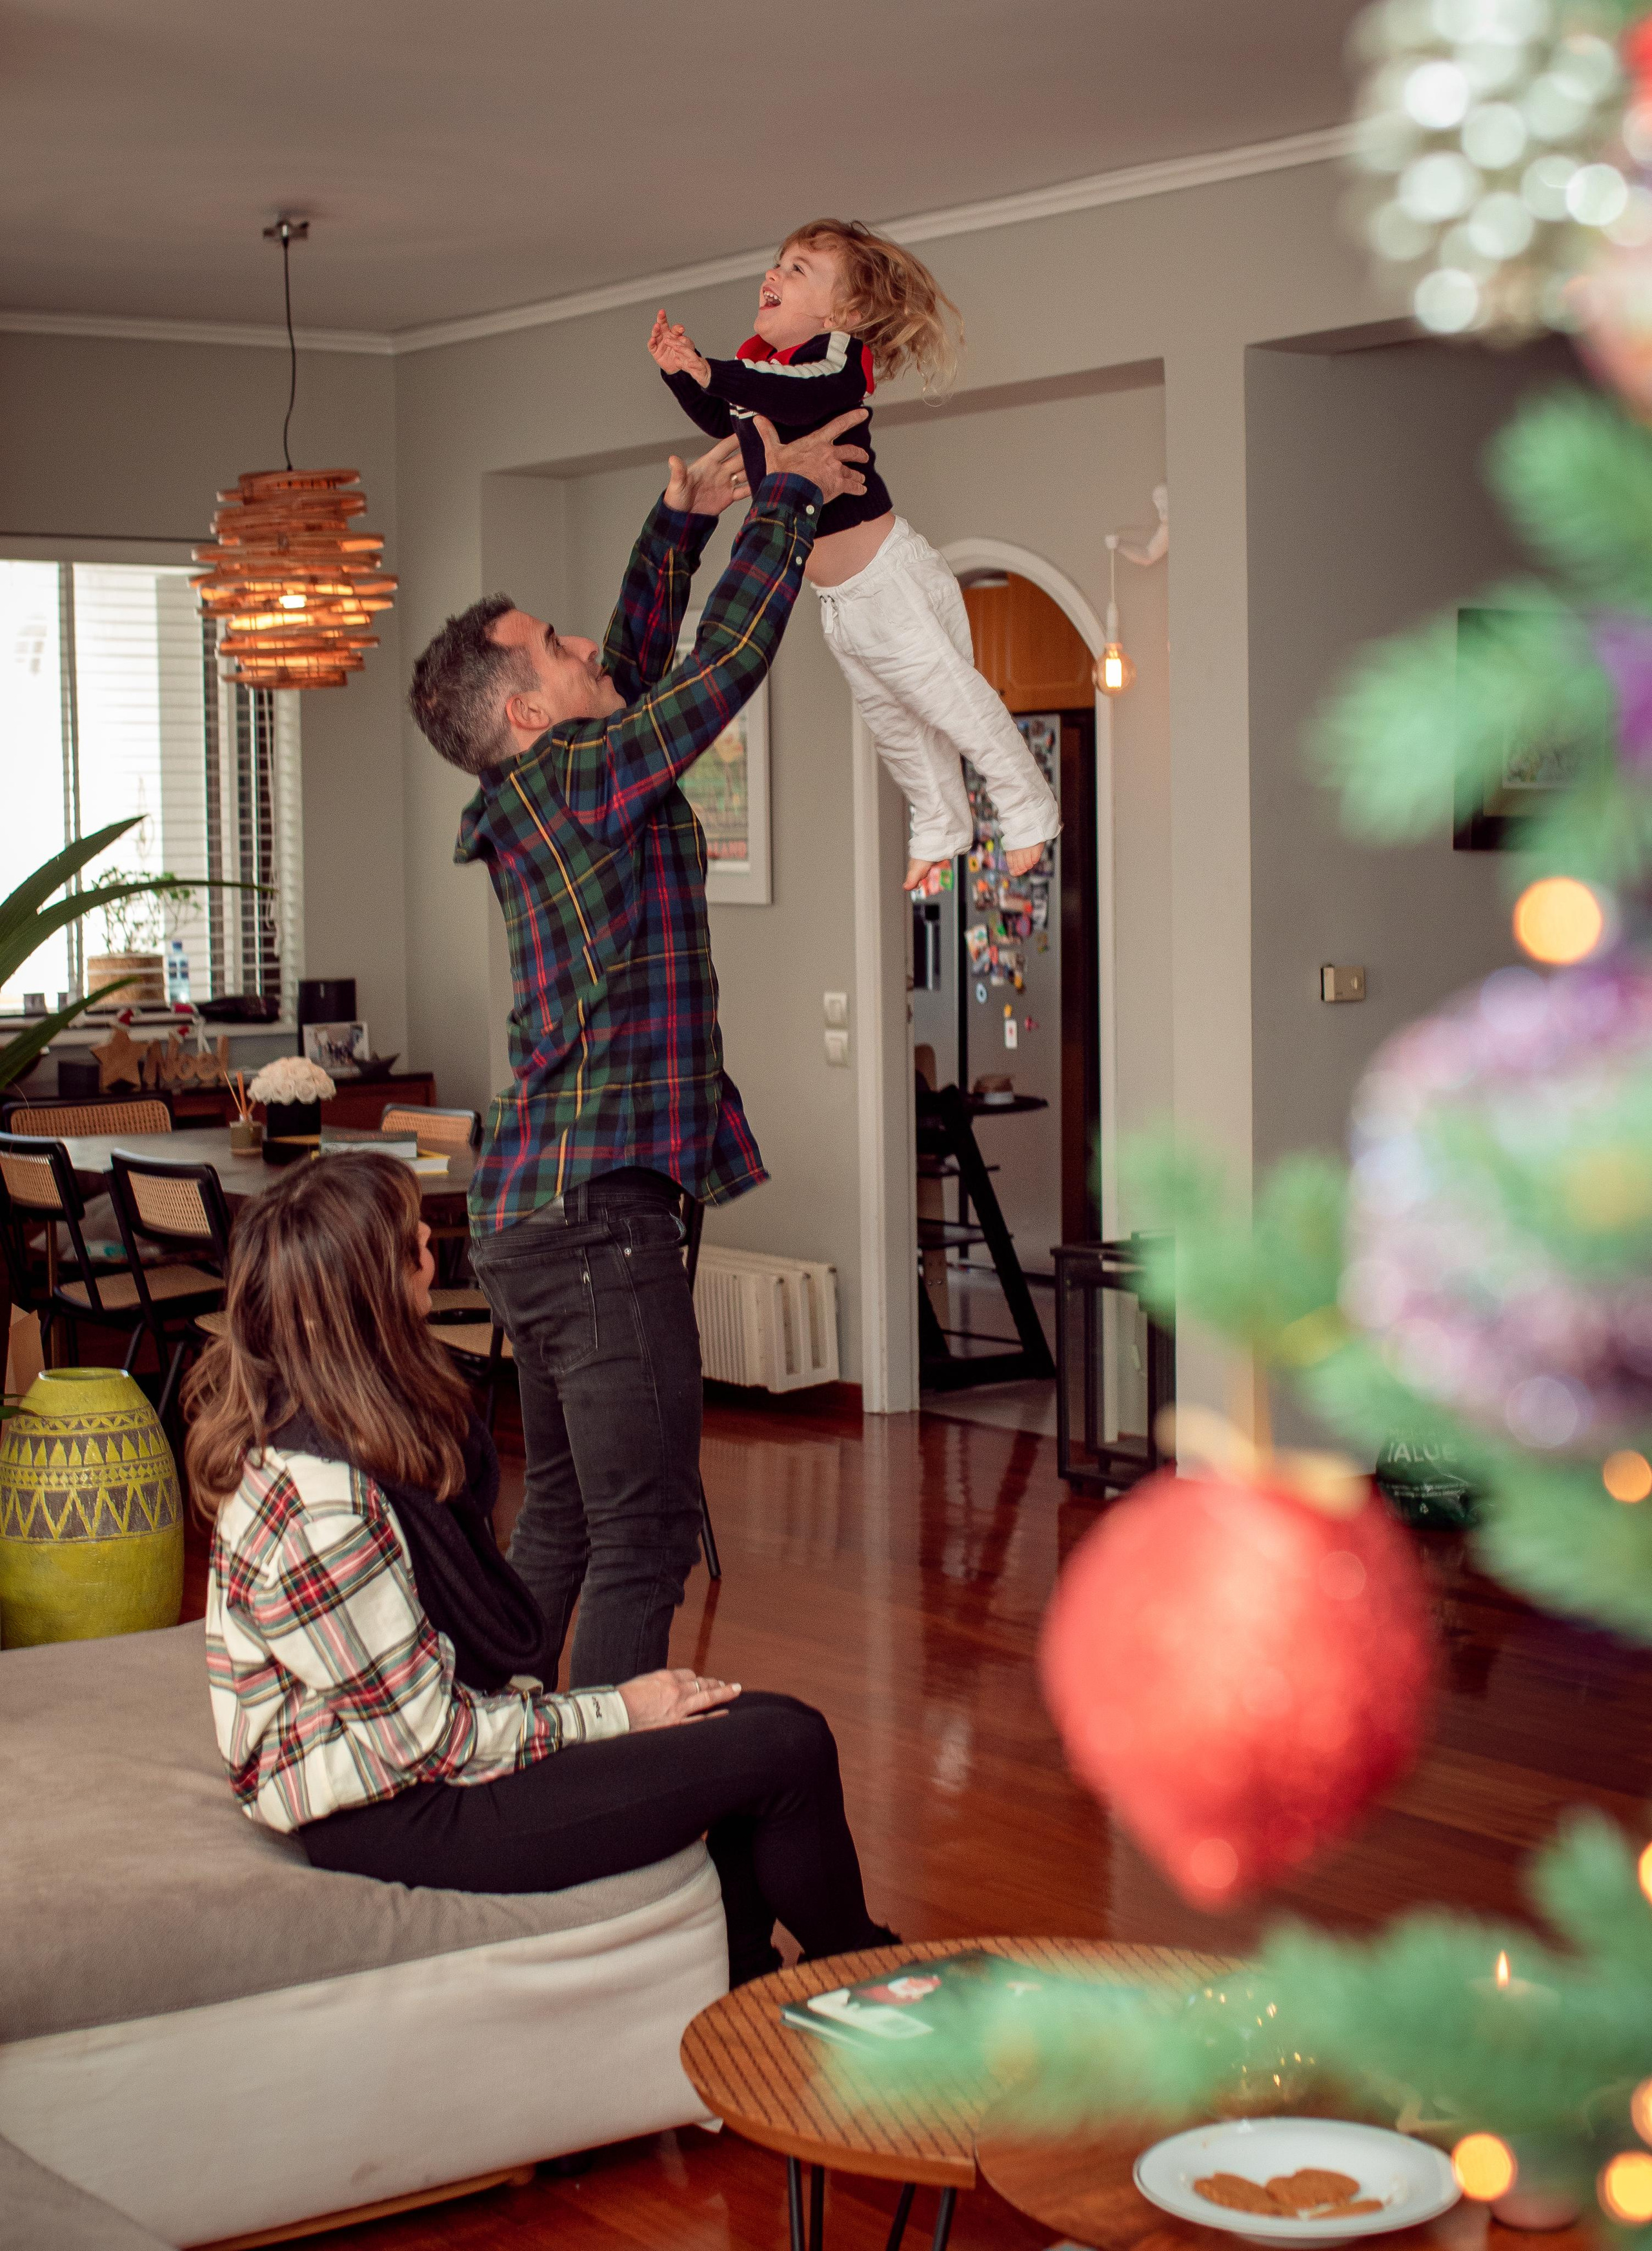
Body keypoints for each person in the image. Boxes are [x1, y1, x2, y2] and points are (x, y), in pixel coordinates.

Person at [186, 1154, 894, 1985]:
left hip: (412, 1775)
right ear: (363, 1298)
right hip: (403, 1811)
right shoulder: (320, 1504)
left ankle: (741, 1982)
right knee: (786, 1743)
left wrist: (622, 1712)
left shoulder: (334, 1427)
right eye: (405, 1239)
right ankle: (866, 1982)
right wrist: (619, 1709)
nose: (427, 1238)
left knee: (747, 1721)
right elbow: (434, 1742)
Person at [407, 418, 867, 1689]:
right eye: (554, 648)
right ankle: (613, 1802)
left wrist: (680, 522)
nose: (583, 649)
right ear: (521, 708)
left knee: (562, 1518)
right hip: (594, 1222)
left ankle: (485, 1756)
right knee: (644, 1533)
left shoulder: (558, 778)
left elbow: (641, 673)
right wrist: (783, 503)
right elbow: (710, 673)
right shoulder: (576, 780)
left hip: (537, 1217)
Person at [650, 216, 1061, 893]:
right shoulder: (763, 369)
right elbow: (729, 419)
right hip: (840, 602)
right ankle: (940, 828)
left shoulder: (835, 361)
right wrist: (683, 375)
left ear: (845, 310)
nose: (773, 275)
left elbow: (794, 395)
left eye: (797, 269)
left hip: (891, 581)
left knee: (953, 703)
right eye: (777, 262)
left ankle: (1028, 810)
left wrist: (714, 370)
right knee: (894, 726)